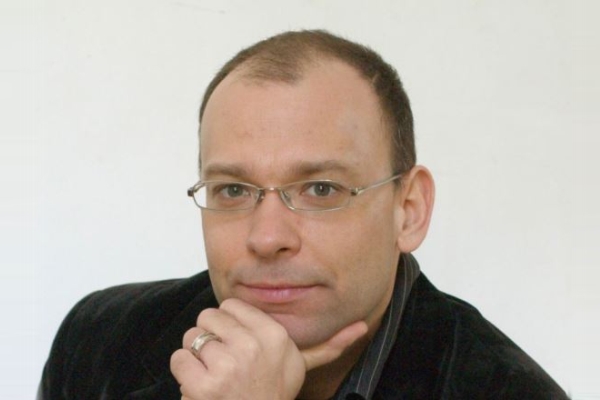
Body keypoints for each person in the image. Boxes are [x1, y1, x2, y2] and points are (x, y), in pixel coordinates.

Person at [38, 30, 568, 399]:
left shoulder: (505, 391)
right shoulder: (100, 339)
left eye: (320, 189)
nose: (267, 237)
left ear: (408, 211)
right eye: (233, 190)